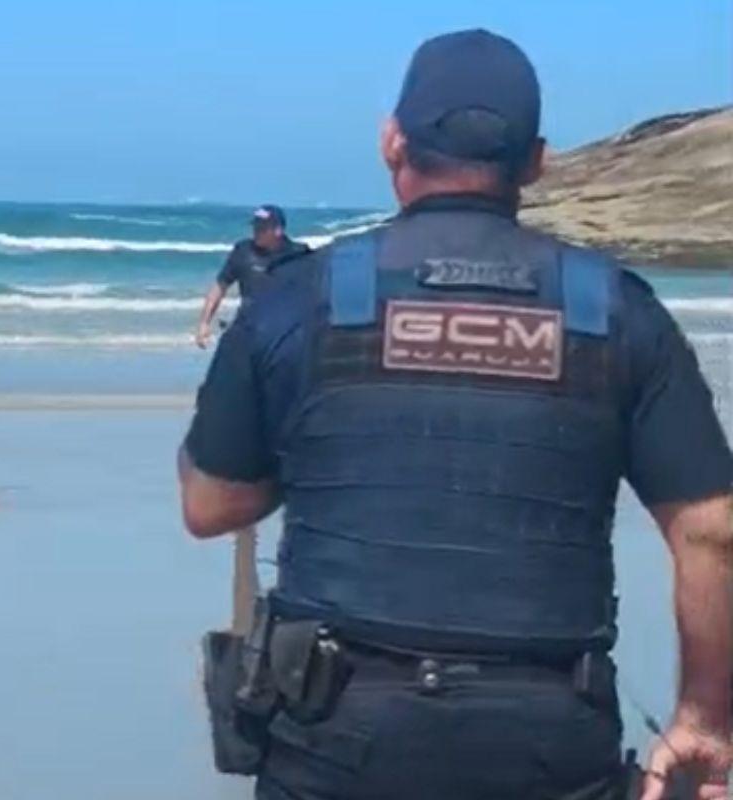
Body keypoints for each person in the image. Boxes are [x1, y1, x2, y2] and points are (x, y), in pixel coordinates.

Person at [178, 29, 732, 800]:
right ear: (536, 162)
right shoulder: (612, 311)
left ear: (391, 143)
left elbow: (210, 505)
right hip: (547, 734)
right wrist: (704, 717)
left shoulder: (302, 297)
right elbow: (711, 530)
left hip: (335, 730)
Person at [194, 205, 309, 349]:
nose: (256, 231)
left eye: (262, 228)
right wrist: (204, 323)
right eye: (255, 226)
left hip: (285, 331)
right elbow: (220, 286)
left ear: (278, 230)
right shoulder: (243, 251)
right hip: (249, 327)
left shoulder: (298, 254)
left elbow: (313, 291)